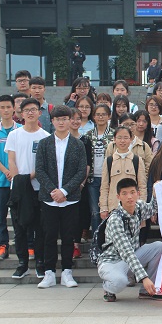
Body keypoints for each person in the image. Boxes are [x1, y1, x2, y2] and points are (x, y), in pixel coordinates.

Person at [35, 105, 87, 288]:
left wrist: (64, 191)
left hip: (70, 199)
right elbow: (40, 170)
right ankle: (49, 273)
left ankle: (67, 272)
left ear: (70, 120)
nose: (62, 122)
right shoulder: (44, 143)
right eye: (58, 119)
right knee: (49, 236)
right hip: (49, 199)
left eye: (65, 119)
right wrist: (53, 190)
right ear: (52, 121)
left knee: (68, 236)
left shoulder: (78, 144)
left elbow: (81, 171)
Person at [97, 178, 162, 302]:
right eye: (124, 193)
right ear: (118, 197)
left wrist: (155, 194)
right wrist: (144, 278)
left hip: (131, 257)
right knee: (119, 282)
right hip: (112, 262)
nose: (129, 197)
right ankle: (108, 287)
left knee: (159, 247)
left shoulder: (139, 206)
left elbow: (152, 209)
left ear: (138, 193)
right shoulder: (115, 220)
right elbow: (127, 252)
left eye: (132, 192)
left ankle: (147, 291)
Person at [5, 98, 50, 279]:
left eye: (34, 109)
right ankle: (22, 263)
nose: (30, 113)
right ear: (21, 114)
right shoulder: (14, 135)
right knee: (20, 230)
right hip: (18, 190)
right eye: (27, 110)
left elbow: (44, 165)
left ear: (40, 112)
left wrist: (30, 177)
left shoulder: (46, 136)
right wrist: (20, 180)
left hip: (38, 189)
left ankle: (40, 263)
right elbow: (11, 160)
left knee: (40, 229)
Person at [0, 95, 21, 261]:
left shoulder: (20, 130)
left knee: (19, 216)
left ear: (14, 108)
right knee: (1, 215)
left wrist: (14, 172)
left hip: (18, 181)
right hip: (1, 181)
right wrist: (6, 170)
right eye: (3, 107)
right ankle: (2, 245)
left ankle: (25, 245)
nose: (6, 110)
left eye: (8, 107)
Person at [99, 125, 147, 221]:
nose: (122, 141)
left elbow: (142, 186)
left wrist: (141, 206)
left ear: (131, 139)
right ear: (114, 139)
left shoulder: (137, 160)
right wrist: (103, 207)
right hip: (114, 207)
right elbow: (104, 186)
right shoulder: (109, 161)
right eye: (119, 138)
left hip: (133, 207)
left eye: (126, 138)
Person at [84, 103, 114, 234]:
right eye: (98, 114)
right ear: (94, 117)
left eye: (103, 114)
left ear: (109, 116)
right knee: (95, 212)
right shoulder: (88, 135)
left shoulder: (114, 134)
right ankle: (97, 241)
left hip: (110, 178)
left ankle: (109, 239)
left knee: (110, 211)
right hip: (93, 178)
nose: (100, 117)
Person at [68, 107, 93, 258]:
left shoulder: (85, 140)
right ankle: (68, 244)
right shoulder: (60, 139)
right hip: (63, 185)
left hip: (80, 185)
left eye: (78, 118)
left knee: (78, 215)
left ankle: (76, 245)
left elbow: (87, 164)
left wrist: (81, 183)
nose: (76, 121)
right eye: (72, 118)